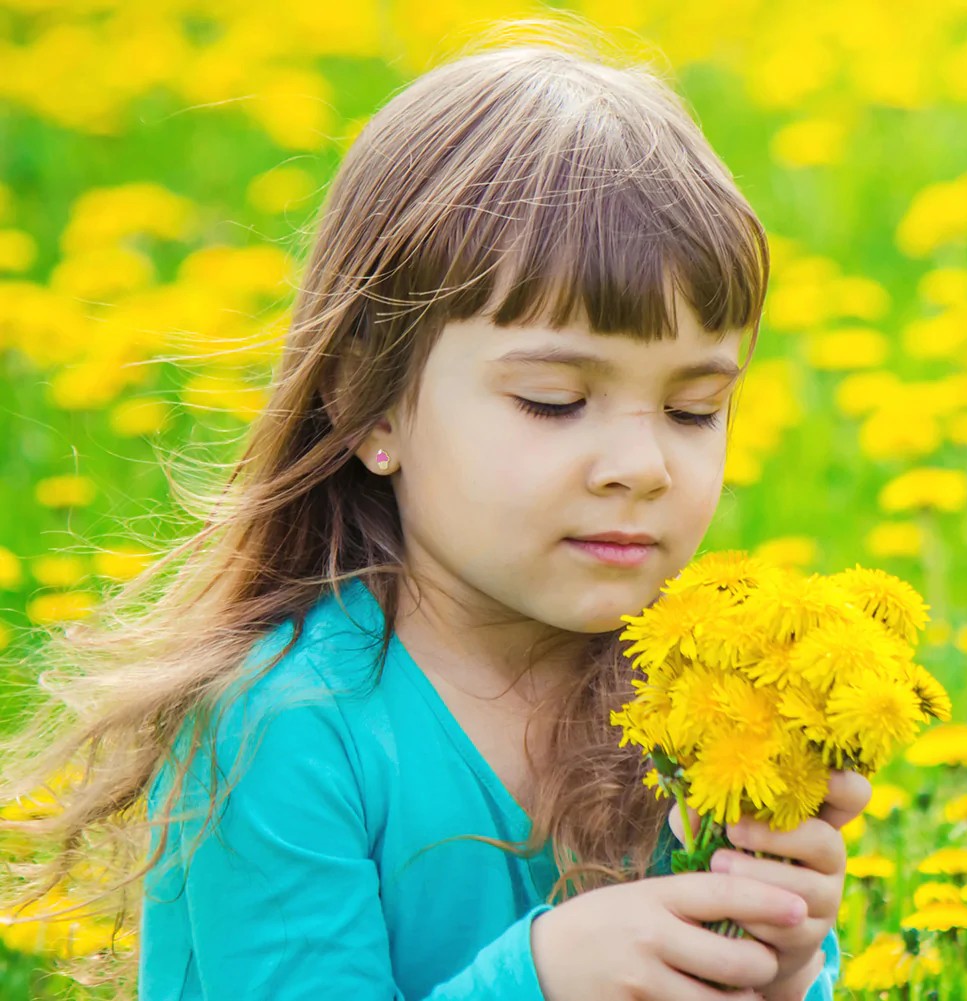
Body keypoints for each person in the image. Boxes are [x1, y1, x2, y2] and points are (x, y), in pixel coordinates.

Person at [0, 19, 871, 1001]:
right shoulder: (284, 732)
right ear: (368, 403)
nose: (641, 464)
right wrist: (542, 979)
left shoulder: (685, 704)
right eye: (553, 399)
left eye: (691, 407)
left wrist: (778, 959)